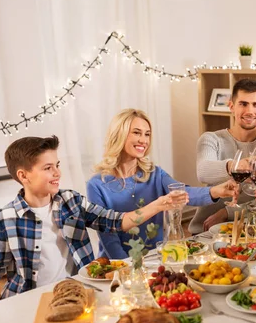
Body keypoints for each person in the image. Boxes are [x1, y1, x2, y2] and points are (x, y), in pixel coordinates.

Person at [0, 135, 187, 307]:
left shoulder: (72, 202)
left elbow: (117, 221)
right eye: (48, 168)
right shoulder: (3, 220)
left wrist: (159, 204)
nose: (57, 172)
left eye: (57, 165)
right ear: (23, 175)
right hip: (26, 301)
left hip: (75, 294)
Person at [87, 109, 238, 259]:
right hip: (119, 265)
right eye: (136, 133)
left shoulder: (154, 173)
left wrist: (216, 191)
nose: (143, 140)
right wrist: (127, 268)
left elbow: (183, 192)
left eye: (147, 134)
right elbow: (108, 238)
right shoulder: (96, 185)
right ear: (120, 134)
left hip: (156, 258)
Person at [190, 78, 256, 234]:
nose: (249, 111)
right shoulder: (210, 139)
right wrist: (235, 166)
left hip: (255, 230)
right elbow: (203, 171)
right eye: (243, 104)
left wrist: (228, 213)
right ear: (231, 106)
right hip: (207, 232)